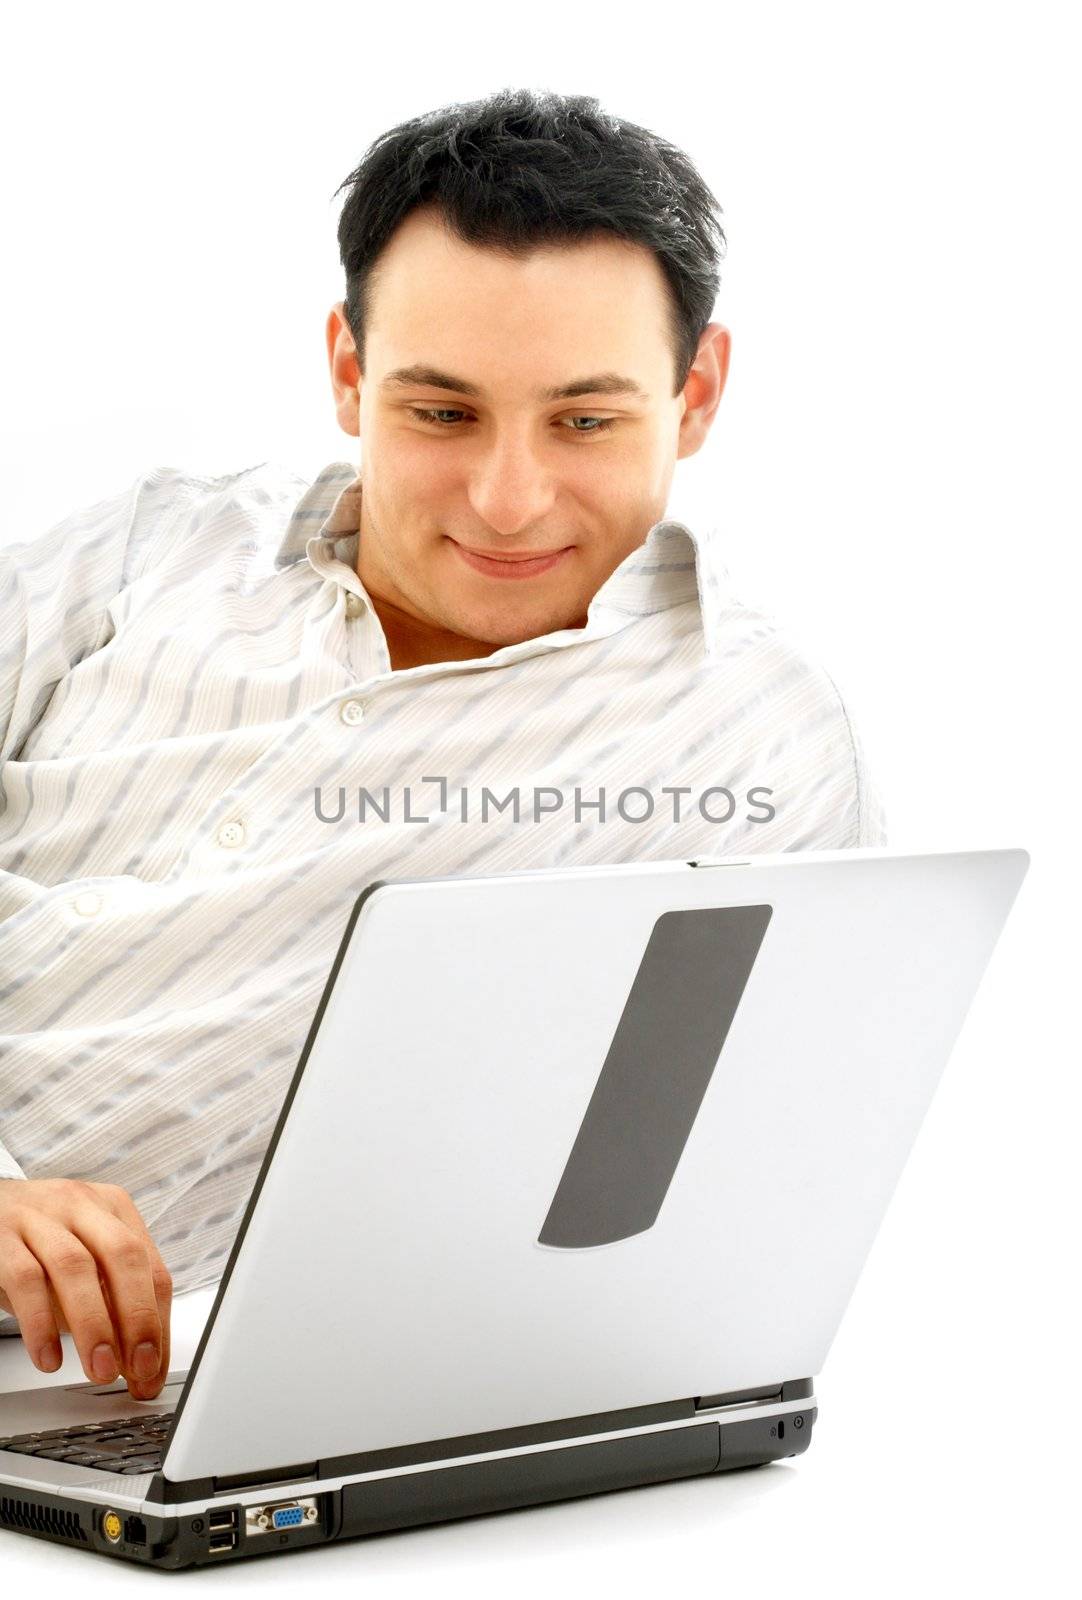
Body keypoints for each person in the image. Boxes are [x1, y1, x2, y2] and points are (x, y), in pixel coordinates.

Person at [0, 88, 886, 1401]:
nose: (508, 499)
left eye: (584, 421)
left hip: (111, 1391)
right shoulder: (145, 549)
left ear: (694, 396)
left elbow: (730, 1220)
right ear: (348, 372)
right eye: (440, 414)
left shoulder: (756, 744)